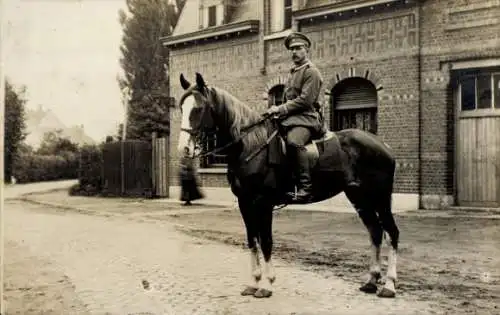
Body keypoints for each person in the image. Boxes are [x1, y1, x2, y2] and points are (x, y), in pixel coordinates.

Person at [266, 32, 359, 203]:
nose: (294, 52)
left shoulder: (312, 72)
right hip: (290, 119)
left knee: (294, 142)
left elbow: (305, 100)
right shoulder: (294, 72)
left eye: (298, 48)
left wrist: (280, 108)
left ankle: (305, 187)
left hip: (306, 119)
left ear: (306, 50)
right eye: (292, 49)